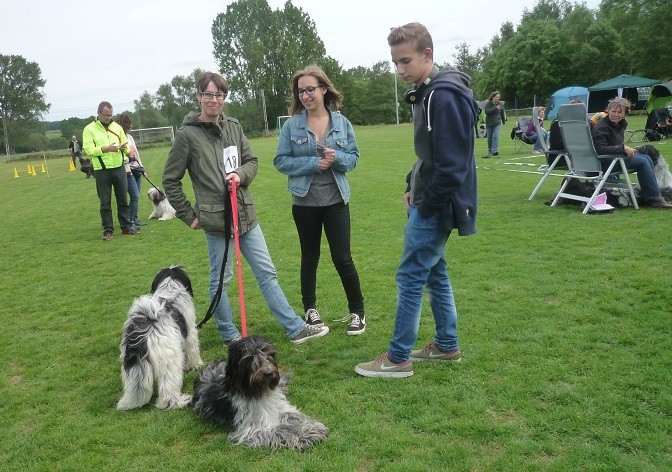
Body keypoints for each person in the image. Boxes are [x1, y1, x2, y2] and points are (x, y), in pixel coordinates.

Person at [162, 71, 329, 345]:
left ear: (224, 98)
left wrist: (240, 174)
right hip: (216, 221)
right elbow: (170, 179)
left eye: (219, 95)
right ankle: (229, 334)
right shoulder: (187, 136)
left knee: (267, 272)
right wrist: (188, 215)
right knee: (221, 281)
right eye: (208, 94)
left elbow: (251, 161)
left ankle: (295, 328)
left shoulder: (234, 127)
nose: (214, 100)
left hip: (245, 215)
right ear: (198, 96)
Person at [355, 22, 478, 378]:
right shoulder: (427, 91)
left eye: (405, 61)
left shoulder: (445, 95)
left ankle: (397, 358)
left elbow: (452, 167)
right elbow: (430, 155)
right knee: (434, 273)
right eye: (395, 62)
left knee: (410, 276)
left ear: (428, 54)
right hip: (426, 198)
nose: (399, 70)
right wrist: (413, 182)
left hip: (435, 207)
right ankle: (446, 344)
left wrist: (426, 206)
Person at [274, 65, 365, 336]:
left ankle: (358, 311)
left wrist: (336, 158)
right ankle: (310, 310)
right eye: (301, 91)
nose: (305, 95)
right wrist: (314, 163)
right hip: (304, 203)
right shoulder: (292, 125)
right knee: (309, 258)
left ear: (324, 89)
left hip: (337, 200)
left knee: (343, 257)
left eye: (310, 89)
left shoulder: (342, 123)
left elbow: (354, 158)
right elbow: (281, 160)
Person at [591, 97, 672, 209]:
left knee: (647, 158)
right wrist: (623, 148)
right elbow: (599, 149)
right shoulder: (602, 127)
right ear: (608, 111)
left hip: (614, 159)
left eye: (620, 112)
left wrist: (624, 150)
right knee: (643, 161)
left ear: (625, 113)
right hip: (604, 163)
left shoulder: (619, 124)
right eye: (613, 111)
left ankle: (651, 195)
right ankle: (654, 198)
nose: (616, 114)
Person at [82, 101, 138, 240]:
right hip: (102, 170)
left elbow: (127, 146)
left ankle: (126, 227)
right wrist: (105, 149)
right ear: (99, 113)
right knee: (105, 201)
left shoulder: (117, 127)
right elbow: (88, 149)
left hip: (119, 167)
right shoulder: (89, 129)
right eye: (106, 115)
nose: (109, 118)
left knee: (123, 199)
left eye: (111, 115)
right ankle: (108, 230)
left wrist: (124, 148)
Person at [115, 114, 146, 228]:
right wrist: (130, 159)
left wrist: (142, 168)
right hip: (127, 171)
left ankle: (135, 218)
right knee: (135, 196)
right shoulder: (118, 139)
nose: (131, 125)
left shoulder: (130, 137)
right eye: (128, 123)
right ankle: (131, 220)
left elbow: (136, 154)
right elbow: (121, 157)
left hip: (136, 169)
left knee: (136, 197)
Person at [483, 90, 505, 158]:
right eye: (497, 97)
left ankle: (494, 151)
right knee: (489, 138)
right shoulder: (488, 104)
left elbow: (502, 113)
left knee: (495, 136)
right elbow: (487, 112)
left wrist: (503, 121)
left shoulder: (500, 104)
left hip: (497, 123)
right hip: (489, 123)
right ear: (493, 97)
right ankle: (490, 150)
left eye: (499, 97)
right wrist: (495, 108)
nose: (498, 98)